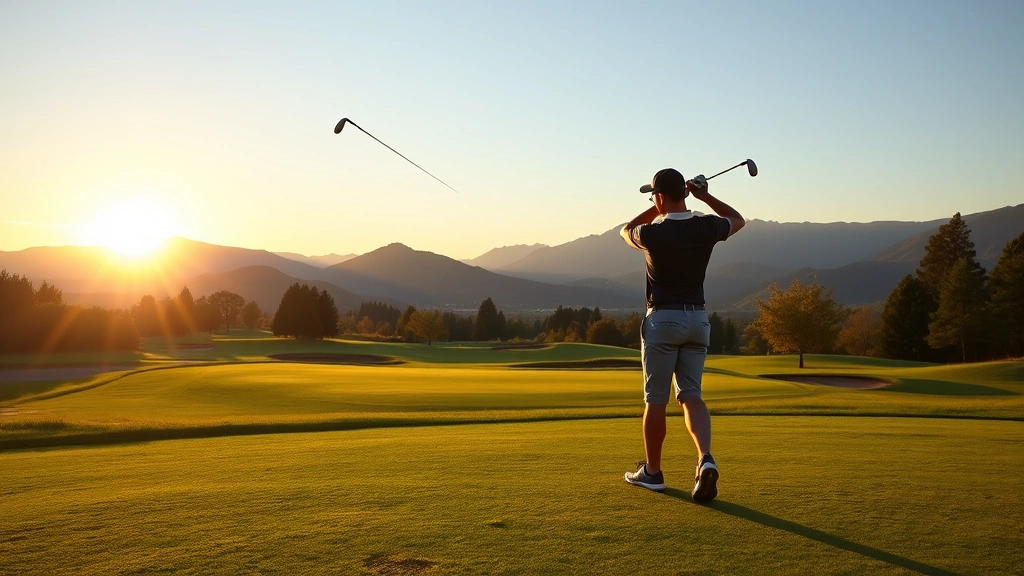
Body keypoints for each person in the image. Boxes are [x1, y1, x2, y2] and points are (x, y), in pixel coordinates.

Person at [619, 168, 745, 502]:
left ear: (659, 197)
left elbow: (624, 230)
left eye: (654, 196)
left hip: (662, 320)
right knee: (691, 394)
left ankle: (653, 472)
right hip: (697, 320)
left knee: (655, 400)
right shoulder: (705, 226)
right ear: (685, 193)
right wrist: (703, 197)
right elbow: (737, 219)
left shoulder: (651, 234)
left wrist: (656, 208)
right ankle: (704, 458)